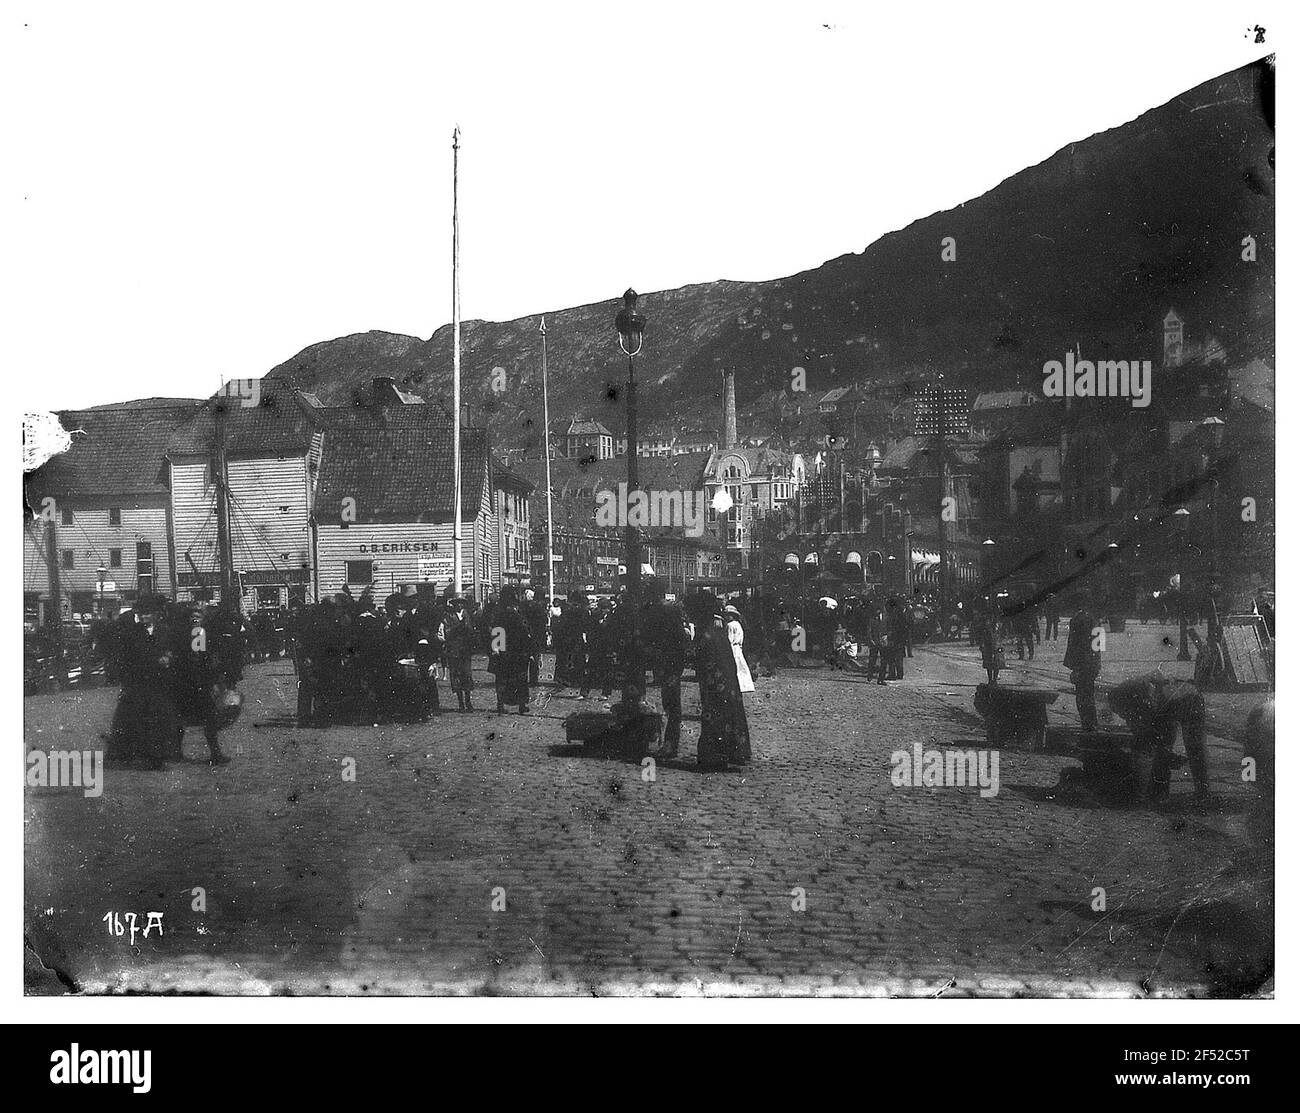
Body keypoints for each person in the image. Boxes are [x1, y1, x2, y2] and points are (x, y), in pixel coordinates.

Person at [1108, 674, 1210, 804]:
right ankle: (1161, 794)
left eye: (1124, 714)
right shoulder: (1131, 693)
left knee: (1193, 748)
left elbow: (1146, 720)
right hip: (1174, 699)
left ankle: (1201, 793)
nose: (1124, 717)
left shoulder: (1138, 696)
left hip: (1185, 700)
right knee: (1163, 749)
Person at [105, 596, 181, 769]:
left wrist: (168, 657)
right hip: (138, 681)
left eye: (148, 614)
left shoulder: (164, 631)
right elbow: (128, 657)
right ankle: (135, 754)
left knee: (159, 719)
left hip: (158, 682)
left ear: (156, 614)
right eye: (142, 614)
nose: (144, 617)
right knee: (136, 718)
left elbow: (172, 649)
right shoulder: (132, 633)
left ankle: (157, 756)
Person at [692, 596, 751, 772]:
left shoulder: (708, 630)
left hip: (716, 680)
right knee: (729, 715)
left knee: (716, 717)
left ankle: (715, 756)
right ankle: (733, 752)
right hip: (725, 678)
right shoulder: (717, 628)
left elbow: (704, 656)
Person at [643, 580, 691, 757]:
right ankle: (669, 742)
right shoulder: (668, 609)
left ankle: (670, 744)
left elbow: (676, 637)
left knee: (671, 704)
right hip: (670, 661)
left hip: (668, 661)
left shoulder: (661, 610)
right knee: (670, 703)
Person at [488, 586, 534, 714]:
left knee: (505, 678)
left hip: (507, 649)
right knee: (518, 678)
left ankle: (504, 704)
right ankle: (518, 705)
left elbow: (496, 630)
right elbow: (525, 631)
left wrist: (496, 648)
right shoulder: (513, 610)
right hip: (515, 650)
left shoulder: (500, 610)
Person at [1063, 601, 1101, 731]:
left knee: (1082, 696)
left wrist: (1074, 665)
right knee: (1088, 694)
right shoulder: (1094, 619)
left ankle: (1088, 724)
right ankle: (1091, 724)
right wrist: (1096, 662)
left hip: (1082, 663)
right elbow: (1098, 644)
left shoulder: (1078, 619)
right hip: (1092, 662)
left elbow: (1075, 644)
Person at [440, 597, 476, 712]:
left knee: (467, 674)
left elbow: (472, 631)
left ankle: (468, 702)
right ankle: (461, 703)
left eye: (461, 604)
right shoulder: (448, 617)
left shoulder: (467, 616)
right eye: (457, 604)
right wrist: (458, 627)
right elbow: (447, 632)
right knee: (456, 676)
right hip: (454, 651)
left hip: (465, 651)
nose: (459, 606)